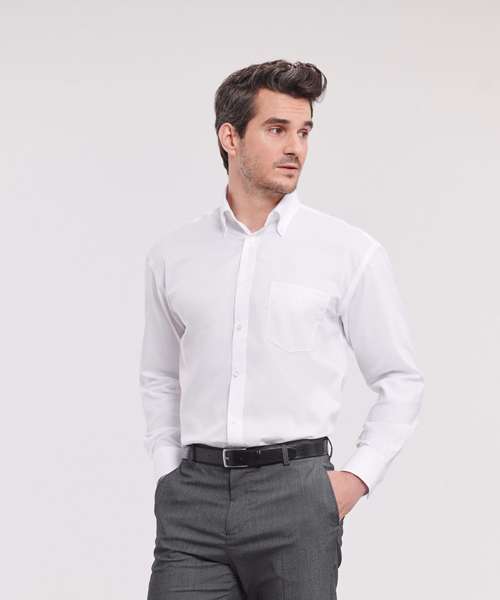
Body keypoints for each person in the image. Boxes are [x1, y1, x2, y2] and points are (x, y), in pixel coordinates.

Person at [139, 59, 424, 599]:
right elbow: (159, 376)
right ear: (230, 137)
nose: (296, 147)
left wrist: (355, 479)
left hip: (297, 496)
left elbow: (400, 380)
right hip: (192, 501)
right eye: (276, 129)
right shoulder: (174, 255)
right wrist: (167, 470)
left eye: (304, 131)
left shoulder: (348, 252)